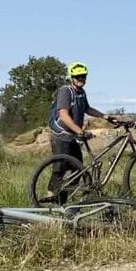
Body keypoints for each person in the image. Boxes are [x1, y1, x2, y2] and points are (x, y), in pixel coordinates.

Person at [45, 61, 115, 200]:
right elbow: (63, 115)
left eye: (83, 76)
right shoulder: (66, 91)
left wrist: (105, 116)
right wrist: (79, 131)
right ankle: (50, 199)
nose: (81, 79)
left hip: (73, 137)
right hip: (61, 137)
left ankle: (62, 201)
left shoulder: (81, 93)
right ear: (71, 77)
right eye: (78, 77)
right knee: (59, 170)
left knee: (78, 170)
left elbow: (87, 109)